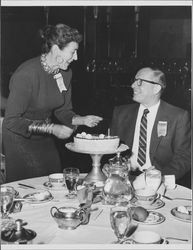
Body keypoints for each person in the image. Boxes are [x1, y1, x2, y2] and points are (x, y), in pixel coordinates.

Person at [2, 23, 102, 182]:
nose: (76, 57)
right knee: (30, 186)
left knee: (54, 181)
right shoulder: (26, 74)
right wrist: (52, 128)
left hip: (45, 136)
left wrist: (81, 119)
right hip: (19, 138)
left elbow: (63, 111)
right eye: (73, 51)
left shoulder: (66, 73)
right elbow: (11, 121)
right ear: (56, 50)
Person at [110, 67, 191, 182]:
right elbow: (111, 149)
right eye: (134, 81)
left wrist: (161, 177)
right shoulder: (120, 113)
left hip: (158, 181)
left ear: (156, 88)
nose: (133, 85)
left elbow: (184, 156)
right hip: (124, 179)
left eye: (139, 82)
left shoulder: (178, 116)